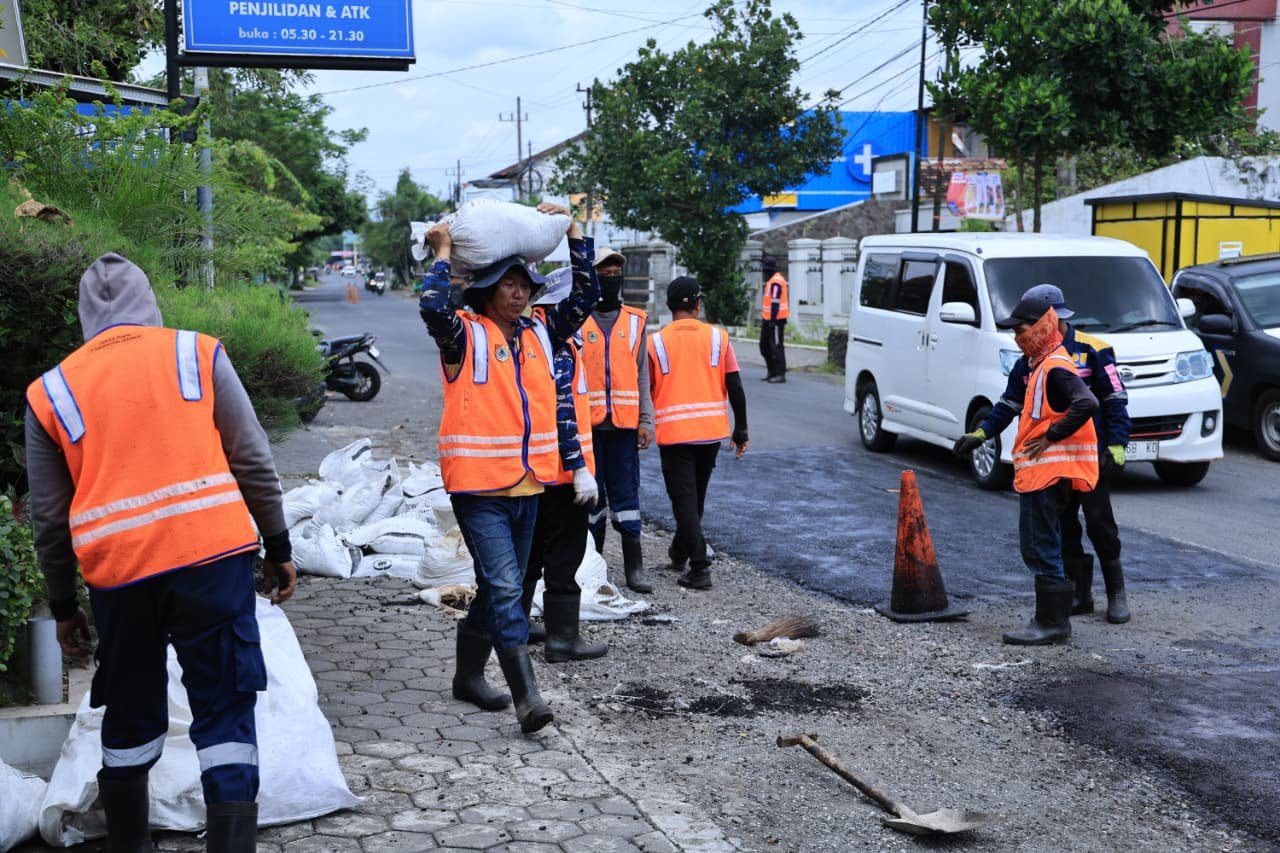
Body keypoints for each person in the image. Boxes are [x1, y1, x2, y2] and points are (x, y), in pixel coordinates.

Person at [24, 253, 298, 853]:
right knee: (224, 710)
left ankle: (130, 844)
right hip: (213, 562)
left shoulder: (51, 391)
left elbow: (48, 518)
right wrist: (278, 545)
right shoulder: (195, 353)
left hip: (120, 578)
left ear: (85, 317)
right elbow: (252, 458)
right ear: (149, 303)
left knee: (130, 709)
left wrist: (64, 606)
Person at [419, 203, 597, 733]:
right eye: (508, 284)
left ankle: (467, 677)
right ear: (486, 289)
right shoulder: (463, 335)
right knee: (503, 588)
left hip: (529, 485)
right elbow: (433, 307)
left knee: (506, 588)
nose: (518, 294)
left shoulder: (543, 331)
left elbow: (585, 295)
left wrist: (573, 230)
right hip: (478, 490)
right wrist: (444, 252)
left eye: (524, 285)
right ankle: (528, 698)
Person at [957, 284, 1132, 623]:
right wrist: (982, 433)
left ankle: (1116, 595)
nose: (1018, 336)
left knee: (1100, 523)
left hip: (1089, 456)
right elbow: (1010, 403)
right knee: (1064, 525)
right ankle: (1079, 595)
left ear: (1050, 321)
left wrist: (1116, 444)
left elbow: (1113, 400)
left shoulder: (1092, 350)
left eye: (1023, 327)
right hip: (1053, 461)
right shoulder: (1030, 359)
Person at [522, 269, 608, 662]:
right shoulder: (557, 343)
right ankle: (562, 640)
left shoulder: (538, 337)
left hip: (539, 471)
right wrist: (579, 469)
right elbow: (563, 411)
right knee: (563, 556)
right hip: (561, 476)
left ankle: (518, 627)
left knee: (530, 555)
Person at [648, 277, 749, 590]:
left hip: (675, 434)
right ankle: (679, 552)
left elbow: (647, 387)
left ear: (668, 305)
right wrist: (741, 428)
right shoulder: (718, 338)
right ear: (698, 304)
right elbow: (735, 385)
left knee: (684, 502)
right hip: (710, 434)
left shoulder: (655, 342)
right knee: (695, 500)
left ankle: (700, 567)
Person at [579, 247, 655, 593]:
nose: (611, 280)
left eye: (615, 275)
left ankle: (633, 568)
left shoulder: (636, 321)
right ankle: (592, 565)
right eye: (604, 275)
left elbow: (642, 376)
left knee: (626, 497)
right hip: (589, 428)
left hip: (624, 428)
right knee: (590, 499)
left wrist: (646, 421)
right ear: (593, 279)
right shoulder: (578, 320)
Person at [759, 256, 789, 383]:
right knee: (764, 346)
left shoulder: (776, 282)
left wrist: (772, 320)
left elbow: (775, 303)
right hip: (767, 320)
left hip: (776, 321)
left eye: (766, 271)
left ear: (770, 270)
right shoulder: (771, 281)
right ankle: (771, 371)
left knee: (776, 347)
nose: (764, 273)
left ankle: (780, 374)